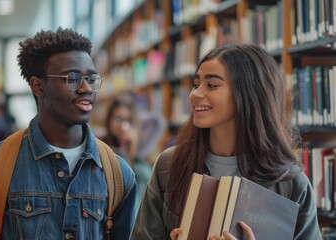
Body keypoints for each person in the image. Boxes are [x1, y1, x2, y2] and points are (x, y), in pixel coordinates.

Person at [0, 28, 137, 239]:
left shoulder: (118, 174)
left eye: (91, 78)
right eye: (72, 78)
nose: (86, 88)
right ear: (38, 86)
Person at [130, 43, 320, 240]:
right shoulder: (168, 166)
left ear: (248, 94)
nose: (195, 94)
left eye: (211, 85)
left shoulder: (290, 182)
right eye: (196, 85)